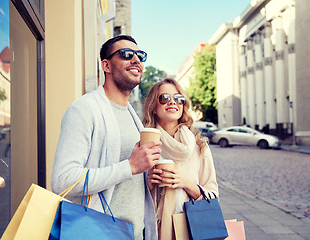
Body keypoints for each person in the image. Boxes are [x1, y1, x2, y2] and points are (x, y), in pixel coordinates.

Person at [51, 35, 161, 240]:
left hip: (136, 233)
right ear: (106, 65)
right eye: (126, 54)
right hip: (99, 233)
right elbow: (62, 181)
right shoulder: (84, 109)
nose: (136, 60)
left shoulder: (132, 117)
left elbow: (127, 181)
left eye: (140, 55)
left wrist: (147, 179)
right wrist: (130, 167)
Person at [142, 78, 219, 240]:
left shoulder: (199, 146)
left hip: (189, 229)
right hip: (150, 230)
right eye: (164, 98)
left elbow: (213, 196)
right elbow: (130, 196)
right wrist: (148, 185)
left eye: (179, 99)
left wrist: (186, 182)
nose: (173, 102)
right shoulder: (144, 143)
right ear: (153, 107)